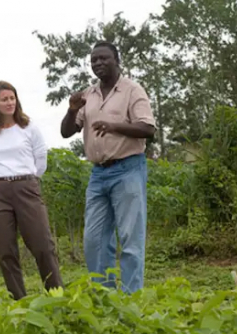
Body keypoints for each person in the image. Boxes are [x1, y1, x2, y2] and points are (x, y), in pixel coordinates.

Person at [61, 41, 156, 293]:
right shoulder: (88, 96)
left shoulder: (132, 90)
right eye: (94, 60)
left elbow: (148, 129)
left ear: (117, 60)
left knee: (130, 238)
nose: (98, 63)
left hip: (128, 169)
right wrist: (72, 110)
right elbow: (66, 132)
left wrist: (114, 126)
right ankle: (105, 296)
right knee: (94, 240)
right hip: (98, 174)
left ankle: (131, 297)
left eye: (103, 58)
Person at [0, 81, 64, 300]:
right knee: (6, 250)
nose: (9, 103)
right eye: (4, 99)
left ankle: (56, 294)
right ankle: (19, 300)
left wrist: (30, 179)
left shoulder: (29, 128)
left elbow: (40, 158)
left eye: (12, 98)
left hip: (26, 186)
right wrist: (2, 182)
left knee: (42, 244)